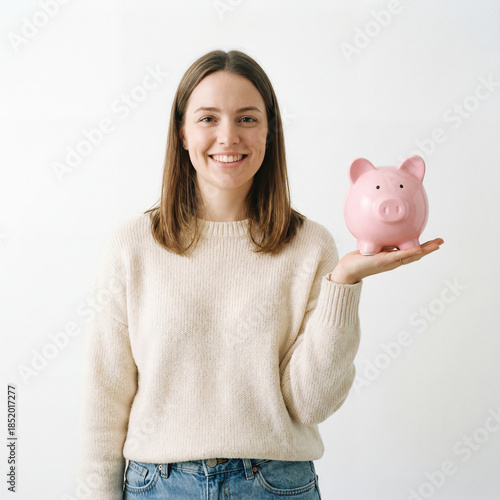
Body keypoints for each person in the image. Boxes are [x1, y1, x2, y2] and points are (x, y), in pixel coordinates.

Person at [76, 49, 443, 500]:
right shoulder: (132, 246)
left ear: (270, 131)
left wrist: (343, 283)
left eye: (247, 119)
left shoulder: (311, 246)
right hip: (158, 487)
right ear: (182, 133)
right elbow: (104, 398)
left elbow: (312, 402)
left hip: (275, 485)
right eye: (208, 118)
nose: (228, 136)